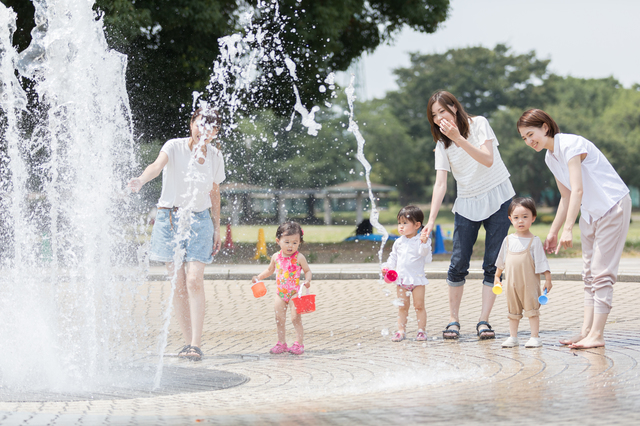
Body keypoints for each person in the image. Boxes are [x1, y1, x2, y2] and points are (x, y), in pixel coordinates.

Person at [517, 109, 631, 349]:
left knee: (601, 274)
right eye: (524, 138)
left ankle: (597, 335)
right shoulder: (550, 157)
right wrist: (554, 230)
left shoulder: (571, 144)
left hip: (612, 206)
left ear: (545, 127)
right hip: (591, 212)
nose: (529, 142)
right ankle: (586, 332)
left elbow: (577, 189)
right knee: (588, 274)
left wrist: (569, 228)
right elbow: (566, 196)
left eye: (531, 134)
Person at [128, 107, 225, 361]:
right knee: (178, 284)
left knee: (194, 280)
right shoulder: (174, 146)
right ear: (191, 122)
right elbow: (156, 166)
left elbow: (215, 193)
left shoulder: (215, 156)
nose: (203, 130)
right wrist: (140, 180)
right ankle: (187, 343)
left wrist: (217, 227)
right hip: (168, 218)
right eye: (199, 123)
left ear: (215, 132)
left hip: (200, 220)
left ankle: (196, 343)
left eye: (210, 127)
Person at [421, 90, 515, 340]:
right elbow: (440, 184)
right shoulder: (442, 143)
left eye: (442, 110)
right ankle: (453, 320)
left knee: (493, 264)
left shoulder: (480, 124)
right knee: (458, 263)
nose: (439, 117)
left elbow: (487, 160)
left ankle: (484, 321)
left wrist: (458, 137)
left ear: (454, 107)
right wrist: (430, 221)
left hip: (498, 196)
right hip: (467, 202)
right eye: (434, 115)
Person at [495, 198, 552, 348]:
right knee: (512, 311)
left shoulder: (534, 241)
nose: (520, 221)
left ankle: (535, 337)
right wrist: (496, 276)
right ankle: (513, 337)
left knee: (532, 309)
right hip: (511, 284)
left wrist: (548, 279)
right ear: (510, 219)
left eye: (525, 217)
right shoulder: (507, 240)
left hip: (529, 284)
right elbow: (501, 261)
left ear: (533, 217)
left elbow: (542, 262)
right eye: (516, 218)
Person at [252, 222, 312, 355]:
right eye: (287, 242)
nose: (291, 246)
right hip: (280, 294)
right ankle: (281, 343)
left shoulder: (299, 257)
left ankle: (299, 343)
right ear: (278, 241)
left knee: (295, 318)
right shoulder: (276, 257)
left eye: (295, 243)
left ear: (299, 243)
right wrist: (259, 277)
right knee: (279, 319)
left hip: (294, 293)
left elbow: (307, 271)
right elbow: (269, 270)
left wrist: (307, 280)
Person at [383, 206, 432, 342]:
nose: (401, 227)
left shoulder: (422, 241)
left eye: (405, 223)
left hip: (417, 281)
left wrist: (424, 242)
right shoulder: (399, 242)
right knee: (402, 307)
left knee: (419, 306)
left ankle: (421, 331)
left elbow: (425, 255)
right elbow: (393, 257)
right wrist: (387, 267)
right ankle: (401, 331)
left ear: (417, 225)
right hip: (402, 280)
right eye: (399, 223)